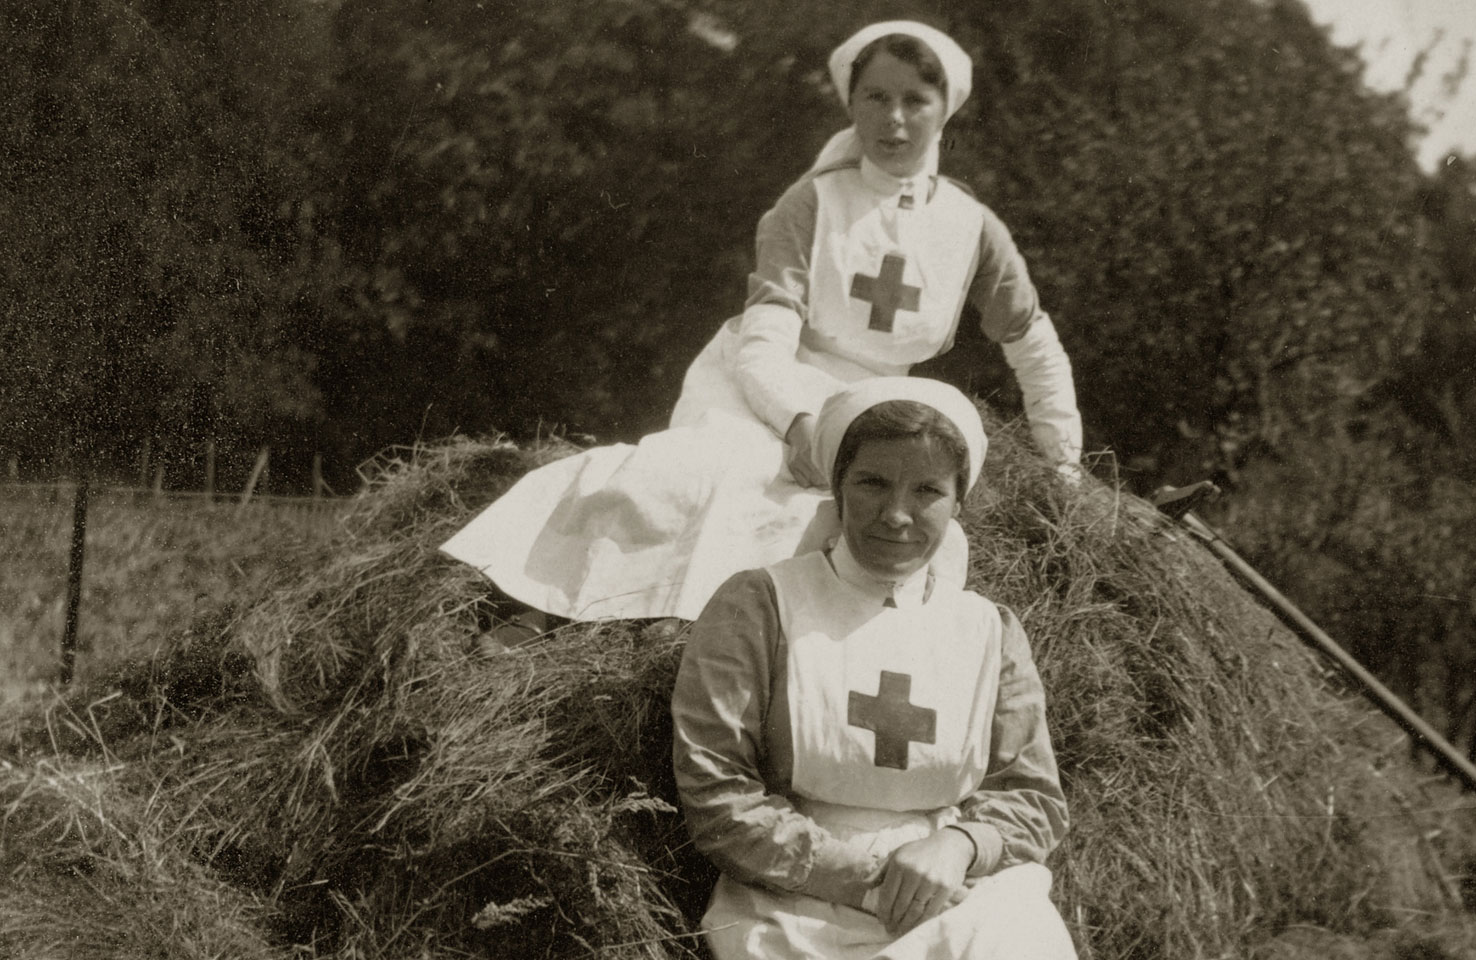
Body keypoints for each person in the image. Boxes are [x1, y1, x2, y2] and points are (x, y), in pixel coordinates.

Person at [440, 19, 1082, 625]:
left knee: (863, 516)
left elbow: (1036, 350)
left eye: (915, 99)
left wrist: (1065, 475)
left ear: (946, 108)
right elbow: (764, 346)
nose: (893, 119)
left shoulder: (973, 229)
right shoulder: (811, 203)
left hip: (878, 401)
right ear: (851, 103)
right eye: (875, 96)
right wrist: (801, 425)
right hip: (768, 385)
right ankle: (567, 610)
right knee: (709, 477)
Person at [673, 377, 1076, 959]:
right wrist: (871, 879)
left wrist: (962, 844)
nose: (896, 515)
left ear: (959, 501)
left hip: (959, 889)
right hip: (794, 898)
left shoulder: (991, 630)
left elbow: (1033, 798)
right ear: (837, 487)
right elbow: (718, 795)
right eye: (872, 483)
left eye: (927, 491)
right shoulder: (758, 605)